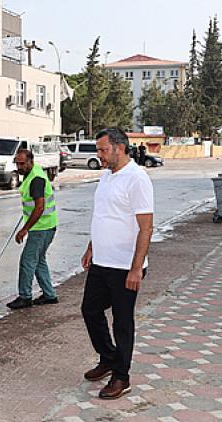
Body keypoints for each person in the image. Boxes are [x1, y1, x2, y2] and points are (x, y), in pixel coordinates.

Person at [81, 127, 154, 400]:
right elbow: (103, 216)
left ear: (119, 148)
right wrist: (91, 247)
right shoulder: (106, 176)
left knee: (122, 322)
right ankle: (109, 357)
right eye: (98, 150)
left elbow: (146, 228)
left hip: (125, 265)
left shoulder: (137, 179)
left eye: (103, 150)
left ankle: (121, 376)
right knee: (90, 310)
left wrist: (136, 268)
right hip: (101, 261)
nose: (99, 155)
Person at [6, 148, 58, 310]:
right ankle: (50, 295)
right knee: (39, 261)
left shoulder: (36, 178)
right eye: (17, 163)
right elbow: (33, 205)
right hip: (45, 226)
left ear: (31, 161)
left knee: (28, 261)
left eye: (22, 163)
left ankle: (25, 297)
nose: (19, 166)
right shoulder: (31, 174)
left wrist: (25, 229)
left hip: (41, 228)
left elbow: (40, 207)